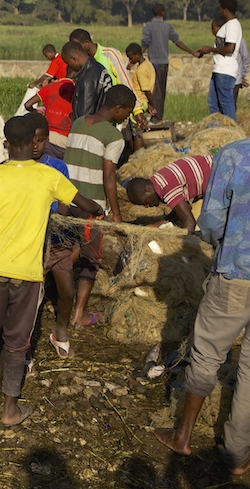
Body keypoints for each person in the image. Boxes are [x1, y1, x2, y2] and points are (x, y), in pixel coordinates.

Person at [154, 80, 250, 476]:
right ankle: (236, 453)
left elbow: (211, 224)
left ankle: (182, 437)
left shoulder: (233, 155)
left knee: (207, 353)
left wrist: (223, 238)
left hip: (236, 274)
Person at [0, 116, 102, 427]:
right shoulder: (49, 176)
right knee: (18, 342)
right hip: (29, 275)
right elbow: (84, 204)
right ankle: (9, 411)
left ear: (6, 143)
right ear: (35, 142)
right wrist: (96, 211)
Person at [64, 85, 136, 327]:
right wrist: (115, 213)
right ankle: (79, 315)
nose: (126, 118)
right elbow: (109, 178)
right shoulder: (114, 136)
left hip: (66, 199)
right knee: (89, 259)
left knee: (64, 248)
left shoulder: (79, 122)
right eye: (126, 113)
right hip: (90, 204)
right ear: (117, 109)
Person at [29, 112, 90, 359]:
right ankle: (24, 345)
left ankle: (60, 330)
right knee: (32, 296)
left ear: (47, 139)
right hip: (33, 244)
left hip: (58, 241)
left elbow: (64, 203)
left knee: (66, 291)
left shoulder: (57, 166)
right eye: (31, 141)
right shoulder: (21, 169)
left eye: (40, 141)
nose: (35, 146)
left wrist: (66, 228)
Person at [125, 154, 212, 233]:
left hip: (219, 176)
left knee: (204, 227)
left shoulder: (165, 188)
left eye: (145, 202)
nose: (147, 206)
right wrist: (157, 225)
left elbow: (189, 221)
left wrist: (183, 245)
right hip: (213, 171)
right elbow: (183, 209)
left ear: (148, 190)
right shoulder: (159, 180)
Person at [141, 4, 200, 120]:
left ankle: (156, 116)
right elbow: (177, 42)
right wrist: (192, 52)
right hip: (163, 63)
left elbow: (145, 44)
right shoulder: (168, 26)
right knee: (161, 91)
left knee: (155, 91)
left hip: (153, 63)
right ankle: (158, 116)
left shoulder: (148, 26)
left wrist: (135, 59)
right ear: (162, 12)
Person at [197, 0, 242, 120]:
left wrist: (210, 49)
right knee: (213, 103)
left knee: (226, 104)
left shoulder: (232, 25)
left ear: (225, 10)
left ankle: (231, 130)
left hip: (225, 71)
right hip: (219, 69)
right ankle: (216, 130)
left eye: (220, 8)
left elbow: (230, 48)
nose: (219, 10)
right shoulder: (227, 25)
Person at [24, 77, 75, 159]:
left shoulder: (49, 87)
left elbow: (28, 105)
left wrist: (38, 113)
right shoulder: (77, 90)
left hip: (48, 136)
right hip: (66, 140)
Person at [60, 41, 112, 121]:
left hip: (92, 129)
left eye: (68, 63)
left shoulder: (87, 79)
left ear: (73, 59)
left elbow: (85, 115)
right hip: (104, 123)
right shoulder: (99, 67)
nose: (68, 66)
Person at [124, 43, 155, 151]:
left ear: (137, 55)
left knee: (137, 131)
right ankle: (132, 152)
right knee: (130, 129)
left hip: (139, 102)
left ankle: (137, 155)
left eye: (130, 57)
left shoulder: (141, 71)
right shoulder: (147, 64)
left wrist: (152, 104)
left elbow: (146, 90)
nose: (129, 60)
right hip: (142, 102)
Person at [233, 21, 250, 105]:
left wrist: (242, 75)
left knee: (232, 104)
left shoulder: (240, 41)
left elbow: (245, 58)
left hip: (235, 79)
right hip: (226, 78)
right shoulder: (221, 40)